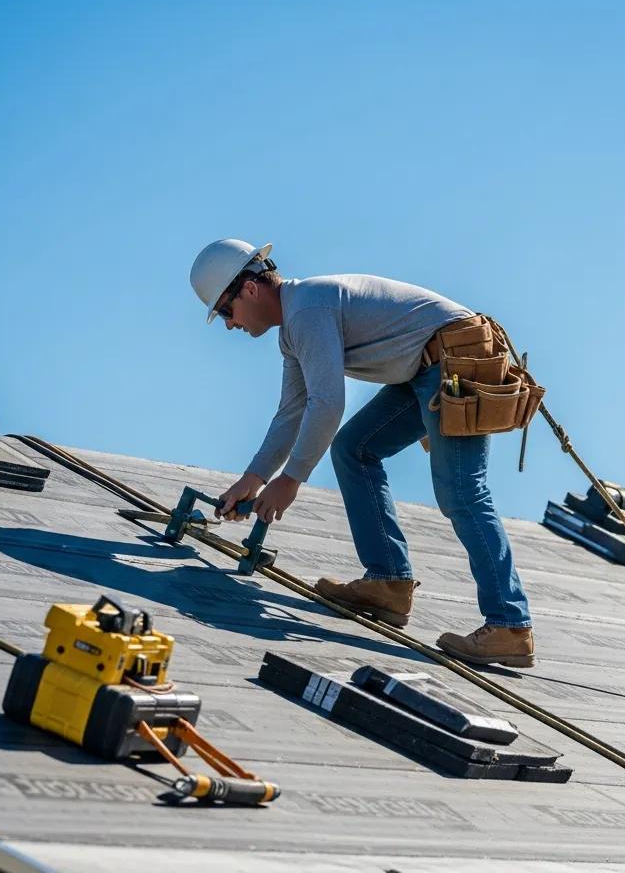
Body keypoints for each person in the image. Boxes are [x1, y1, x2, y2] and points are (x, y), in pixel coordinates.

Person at [189, 238, 535, 667]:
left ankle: (509, 625)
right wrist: (254, 478)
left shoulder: (308, 310)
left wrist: (291, 480)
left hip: (454, 359)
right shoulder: (294, 330)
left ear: (250, 289)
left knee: (462, 492)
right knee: (355, 449)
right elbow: (293, 411)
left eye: (225, 310)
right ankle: (388, 582)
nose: (228, 325)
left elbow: (328, 403)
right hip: (424, 366)